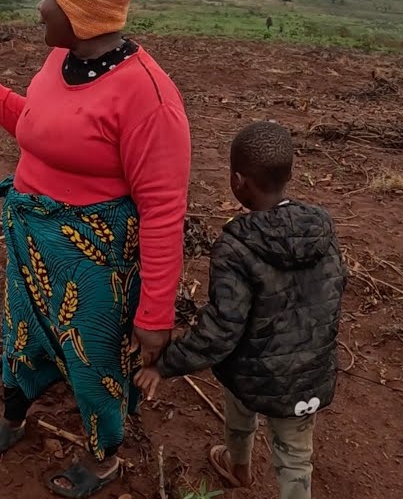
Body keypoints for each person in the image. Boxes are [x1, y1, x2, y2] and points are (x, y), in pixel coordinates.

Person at [0, 0, 191, 498]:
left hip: (94, 258)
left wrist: (155, 313)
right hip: (33, 241)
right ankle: (14, 415)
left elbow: (164, 211)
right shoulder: (59, 62)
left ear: (80, 9)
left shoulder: (149, 96)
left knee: (95, 354)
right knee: (23, 334)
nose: (39, 7)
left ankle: (102, 456)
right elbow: (38, 126)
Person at [136, 121, 346, 499]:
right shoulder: (323, 230)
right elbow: (333, 293)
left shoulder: (236, 246)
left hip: (250, 370)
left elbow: (221, 331)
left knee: (239, 413)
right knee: (296, 459)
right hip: (307, 376)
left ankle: (238, 466)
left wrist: (164, 364)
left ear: (238, 181)